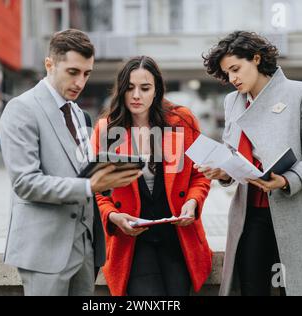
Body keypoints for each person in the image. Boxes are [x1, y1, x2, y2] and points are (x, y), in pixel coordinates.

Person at [198, 31, 302, 296]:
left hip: (295, 212)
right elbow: (234, 152)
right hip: (250, 214)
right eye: (227, 74)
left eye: (236, 69)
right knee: (252, 287)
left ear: (256, 59)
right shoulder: (232, 101)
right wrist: (223, 171)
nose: (232, 79)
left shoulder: (300, 93)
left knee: (298, 289)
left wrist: (287, 180)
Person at [0, 29, 142, 296]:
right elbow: (25, 183)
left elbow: (80, 172)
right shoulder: (21, 109)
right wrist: (89, 186)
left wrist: (110, 177)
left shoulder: (77, 112)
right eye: (73, 72)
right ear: (49, 64)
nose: (80, 82)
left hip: (85, 249)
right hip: (45, 251)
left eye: (86, 74)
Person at [91, 56, 213, 296]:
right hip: (132, 239)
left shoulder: (182, 122)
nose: (136, 95)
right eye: (129, 88)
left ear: (157, 90)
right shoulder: (107, 130)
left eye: (145, 88)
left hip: (177, 234)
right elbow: (96, 190)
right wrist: (114, 216)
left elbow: (200, 175)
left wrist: (192, 202)